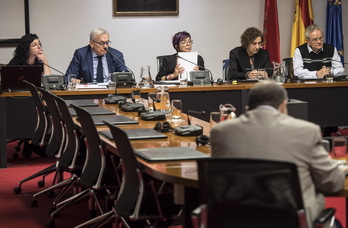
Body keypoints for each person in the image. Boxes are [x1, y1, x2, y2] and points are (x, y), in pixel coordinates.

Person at [210, 81, 344, 227]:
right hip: (291, 222)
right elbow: (332, 183)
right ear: (283, 106)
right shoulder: (306, 131)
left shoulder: (221, 132)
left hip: (234, 220)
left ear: (247, 108)